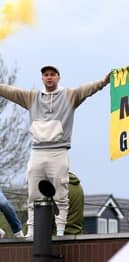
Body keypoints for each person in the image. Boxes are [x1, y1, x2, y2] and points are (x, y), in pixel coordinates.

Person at [0, 65, 110, 237]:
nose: (49, 77)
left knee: (61, 193)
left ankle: (60, 232)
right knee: (33, 193)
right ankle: (31, 231)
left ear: (58, 77)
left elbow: (86, 89)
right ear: (42, 78)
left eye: (52, 74)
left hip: (59, 150)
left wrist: (104, 82)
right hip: (37, 150)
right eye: (45, 75)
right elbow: (11, 91)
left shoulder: (69, 96)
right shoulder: (32, 97)